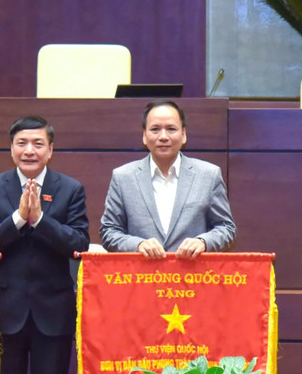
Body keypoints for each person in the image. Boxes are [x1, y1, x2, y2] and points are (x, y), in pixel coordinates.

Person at [0, 115, 89, 374]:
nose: (29, 150)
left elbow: (79, 243)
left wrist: (39, 220)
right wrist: (18, 219)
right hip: (7, 312)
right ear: (11, 149)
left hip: (54, 313)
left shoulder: (70, 189)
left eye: (38, 144)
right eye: (21, 143)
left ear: (50, 150)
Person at [100, 100, 236, 258]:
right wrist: (138, 245)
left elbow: (226, 229)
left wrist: (203, 242)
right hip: (141, 278)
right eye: (155, 129)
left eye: (171, 129)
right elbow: (108, 232)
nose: (163, 136)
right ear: (144, 136)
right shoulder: (123, 177)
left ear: (183, 135)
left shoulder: (209, 175)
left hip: (192, 278)